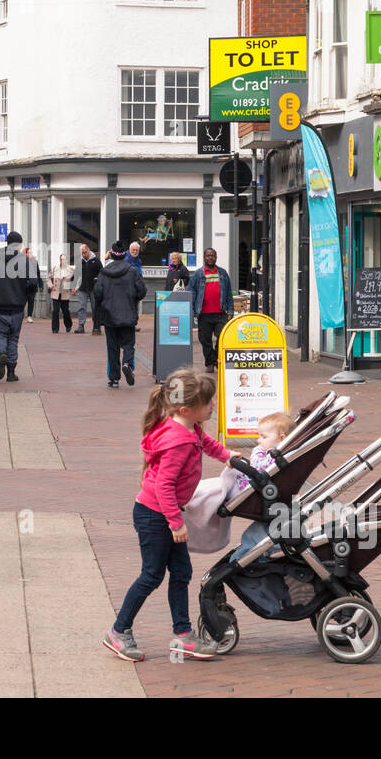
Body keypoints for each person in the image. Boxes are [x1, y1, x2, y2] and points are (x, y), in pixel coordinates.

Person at [103, 368, 229, 662]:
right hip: (155, 515)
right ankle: (118, 631)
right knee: (151, 575)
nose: (213, 406)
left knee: (182, 572)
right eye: (209, 403)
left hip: (162, 513)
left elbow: (206, 443)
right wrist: (175, 523)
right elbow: (164, 485)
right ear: (187, 408)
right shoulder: (178, 441)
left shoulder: (187, 427)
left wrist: (227, 456)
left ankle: (183, 635)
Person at [0, 230, 36, 383]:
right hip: (17, 307)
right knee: (13, 339)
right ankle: (11, 373)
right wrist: (25, 293)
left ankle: (0, 354)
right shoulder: (24, 261)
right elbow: (33, 283)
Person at [94, 242, 146, 387]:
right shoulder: (133, 271)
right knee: (129, 344)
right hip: (128, 314)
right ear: (125, 254)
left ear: (111, 254)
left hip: (110, 315)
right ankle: (128, 364)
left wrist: (104, 303)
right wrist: (132, 299)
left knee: (112, 347)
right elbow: (142, 291)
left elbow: (97, 293)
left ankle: (114, 378)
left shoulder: (104, 272)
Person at [232, 412, 296, 498]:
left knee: (230, 471)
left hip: (246, 489)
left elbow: (256, 466)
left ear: (281, 439)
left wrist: (257, 450)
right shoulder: (274, 453)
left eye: (264, 437)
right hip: (247, 484)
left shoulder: (275, 456)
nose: (258, 440)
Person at [189, 248, 233, 370]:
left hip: (221, 312)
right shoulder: (198, 274)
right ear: (204, 257)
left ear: (216, 257)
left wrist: (230, 310)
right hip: (204, 314)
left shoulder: (223, 273)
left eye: (213, 255)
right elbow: (191, 292)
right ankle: (209, 363)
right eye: (208, 255)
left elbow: (229, 292)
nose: (210, 258)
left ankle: (215, 358)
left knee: (222, 338)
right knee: (204, 339)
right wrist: (192, 310)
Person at [74, 243, 101, 335]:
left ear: (89, 250)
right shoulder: (79, 262)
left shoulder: (96, 261)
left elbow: (101, 274)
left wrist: (99, 284)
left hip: (94, 288)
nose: (84, 255)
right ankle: (81, 325)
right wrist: (74, 287)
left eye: (85, 252)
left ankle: (96, 325)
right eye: (82, 253)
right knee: (81, 307)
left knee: (95, 307)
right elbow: (76, 275)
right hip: (82, 288)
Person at [47, 253, 75, 334]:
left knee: (65, 310)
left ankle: (68, 325)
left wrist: (72, 289)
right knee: (55, 310)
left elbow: (73, 280)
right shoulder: (55, 268)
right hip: (55, 292)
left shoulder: (70, 269)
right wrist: (50, 285)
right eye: (61, 259)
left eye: (64, 259)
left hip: (65, 292)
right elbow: (48, 278)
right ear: (59, 260)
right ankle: (55, 328)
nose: (63, 261)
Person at [22, 245, 41, 323]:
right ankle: (20, 315)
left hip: (32, 285)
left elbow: (38, 273)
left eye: (31, 253)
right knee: (22, 301)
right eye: (29, 253)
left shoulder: (34, 262)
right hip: (23, 286)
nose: (30, 254)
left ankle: (29, 316)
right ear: (25, 254)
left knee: (31, 301)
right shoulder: (21, 262)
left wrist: (40, 284)